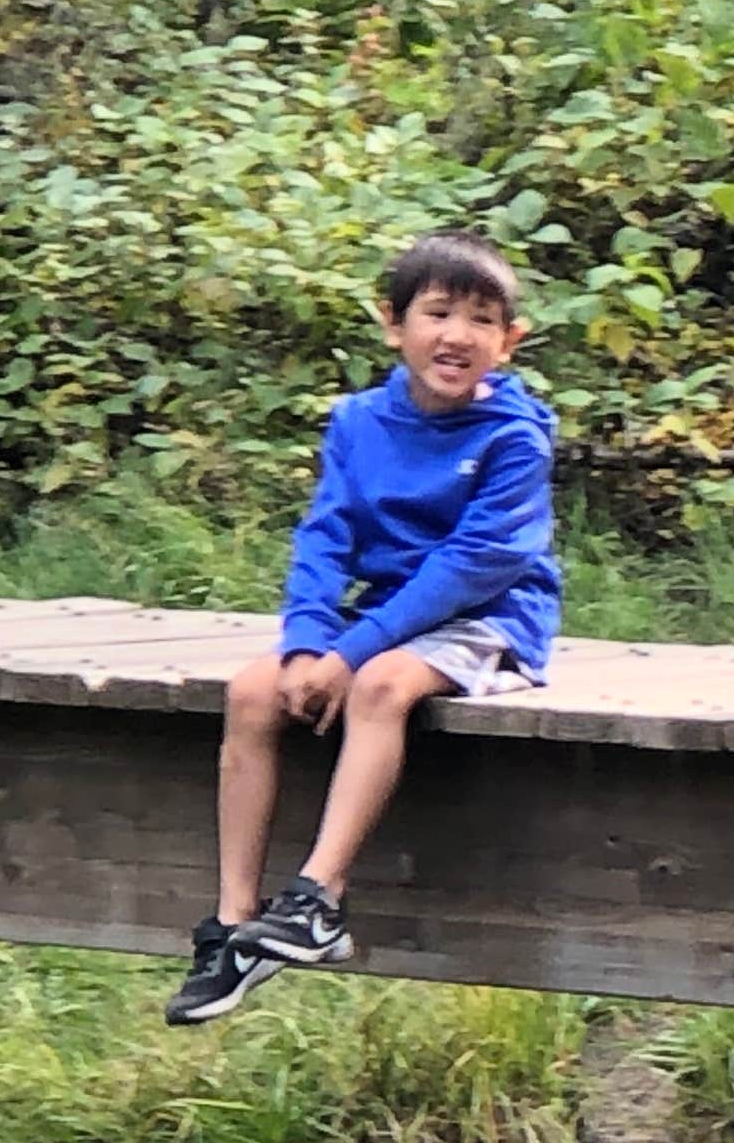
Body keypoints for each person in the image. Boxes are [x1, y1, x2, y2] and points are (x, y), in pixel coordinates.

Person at [169, 232, 562, 1025]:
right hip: (378, 612)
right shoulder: (357, 421)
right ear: (394, 323)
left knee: (379, 688)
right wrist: (310, 644)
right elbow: (325, 537)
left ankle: (319, 899)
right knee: (253, 691)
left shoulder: (514, 438)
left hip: (487, 617)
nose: (456, 335)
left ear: (508, 342)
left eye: (481, 320)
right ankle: (237, 924)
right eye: (438, 312)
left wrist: (351, 653)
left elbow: (472, 568)